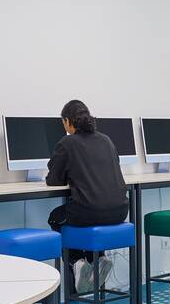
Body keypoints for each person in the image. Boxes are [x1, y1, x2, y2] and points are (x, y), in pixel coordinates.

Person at [47, 100, 129, 294]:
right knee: (87, 212)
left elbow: (53, 180)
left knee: (56, 217)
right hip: (119, 212)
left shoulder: (67, 143)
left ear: (67, 121)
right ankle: (98, 259)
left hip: (88, 212)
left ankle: (77, 262)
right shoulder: (106, 140)